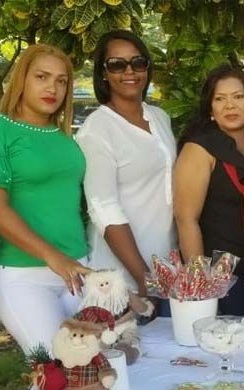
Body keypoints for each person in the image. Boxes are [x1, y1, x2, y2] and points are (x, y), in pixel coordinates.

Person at [0, 44, 92, 354]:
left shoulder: (64, 137)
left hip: (78, 269)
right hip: (24, 275)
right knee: (58, 364)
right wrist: (53, 257)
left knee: (94, 366)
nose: (52, 88)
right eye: (42, 77)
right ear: (22, 79)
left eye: (62, 81)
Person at [76, 30, 177, 301]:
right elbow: (103, 208)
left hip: (167, 268)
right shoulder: (97, 128)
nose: (129, 71)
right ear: (103, 73)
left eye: (137, 62)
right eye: (117, 64)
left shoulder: (160, 117)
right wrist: (144, 278)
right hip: (122, 280)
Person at [174, 64, 244, 319]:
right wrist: (201, 284)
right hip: (224, 279)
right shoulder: (199, 148)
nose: (230, 106)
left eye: (238, 97)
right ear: (210, 108)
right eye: (220, 99)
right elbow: (186, 219)